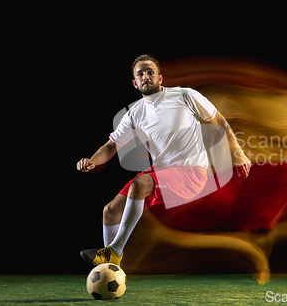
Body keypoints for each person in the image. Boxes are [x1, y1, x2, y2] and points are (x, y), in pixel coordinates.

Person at [77, 54, 251, 265]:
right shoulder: (134, 114)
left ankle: (114, 250)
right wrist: (93, 161)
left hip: (192, 172)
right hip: (160, 171)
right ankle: (109, 269)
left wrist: (238, 153)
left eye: (150, 72)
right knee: (110, 211)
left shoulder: (186, 96)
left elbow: (218, 121)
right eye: (140, 74)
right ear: (135, 83)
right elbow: (111, 145)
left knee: (139, 184)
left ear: (160, 78)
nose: (145, 76)